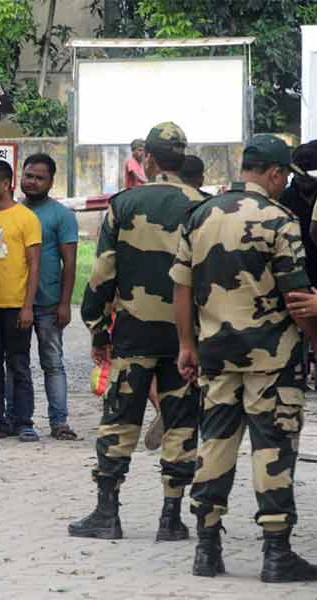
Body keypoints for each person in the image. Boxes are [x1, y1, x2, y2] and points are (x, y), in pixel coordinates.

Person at [171, 134, 317, 582]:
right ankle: (276, 554)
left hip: (215, 354)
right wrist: (314, 342)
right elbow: (297, 296)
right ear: (274, 174)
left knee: (215, 444)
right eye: (284, 177)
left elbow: (180, 285)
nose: (283, 184)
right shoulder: (280, 219)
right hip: (273, 358)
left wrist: (187, 345)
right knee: (272, 448)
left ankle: (207, 549)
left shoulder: (199, 215)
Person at [70, 122, 203, 542]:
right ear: (182, 157)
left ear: (147, 156)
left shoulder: (124, 204)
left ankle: (107, 512)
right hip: (186, 337)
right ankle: (171, 517)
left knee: (120, 420)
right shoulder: (204, 206)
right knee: (181, 423)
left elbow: (103, 272)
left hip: (133, 332)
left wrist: (96, 327)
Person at [0, 160, 42, 441]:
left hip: (15, 305)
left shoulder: (26, 218)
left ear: (6, 184)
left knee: (18, 364)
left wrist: (28, 305)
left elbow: (34, 265)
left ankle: (23, 420)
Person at [21, 153, 78, 441]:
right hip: (15, 303)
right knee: (17, 363)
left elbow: (70, 262)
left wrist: (65, 303)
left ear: (51, 182)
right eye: (28, 175)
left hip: (49, 301)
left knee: (52, 362)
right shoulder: (13, 212)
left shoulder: (62, 215)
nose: (31, 182)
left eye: (38, 177)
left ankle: (59, 422)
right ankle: (20, 420)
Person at [278, 141, 317, 285]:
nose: (306, 177)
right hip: (295, 272)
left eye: (311, 171)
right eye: (301, 172)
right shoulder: (283, 198)